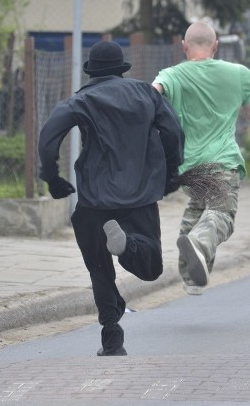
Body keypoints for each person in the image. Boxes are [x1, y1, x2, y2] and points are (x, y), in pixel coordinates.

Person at [38, 40, 184, 357]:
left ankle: (112, 338)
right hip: (140, 196)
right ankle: (129, 245)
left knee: (99, 269)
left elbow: (48, 138)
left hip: (94, 200)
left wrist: (53, 179)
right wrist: (171, 173)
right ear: (121, 68)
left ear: (92, 71)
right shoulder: (147, 94)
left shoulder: (80, 100)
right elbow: (174, 132)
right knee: (151, 267)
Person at [152, 21, 250, 295]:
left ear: (184, 45)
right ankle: (199, 246)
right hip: (222, 162)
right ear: (216, 45)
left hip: (189, 166)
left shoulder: (172, 74)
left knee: (199, 210)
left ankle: (191, 277)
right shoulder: (237, 73)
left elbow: (151, 94)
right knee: (221, 215)